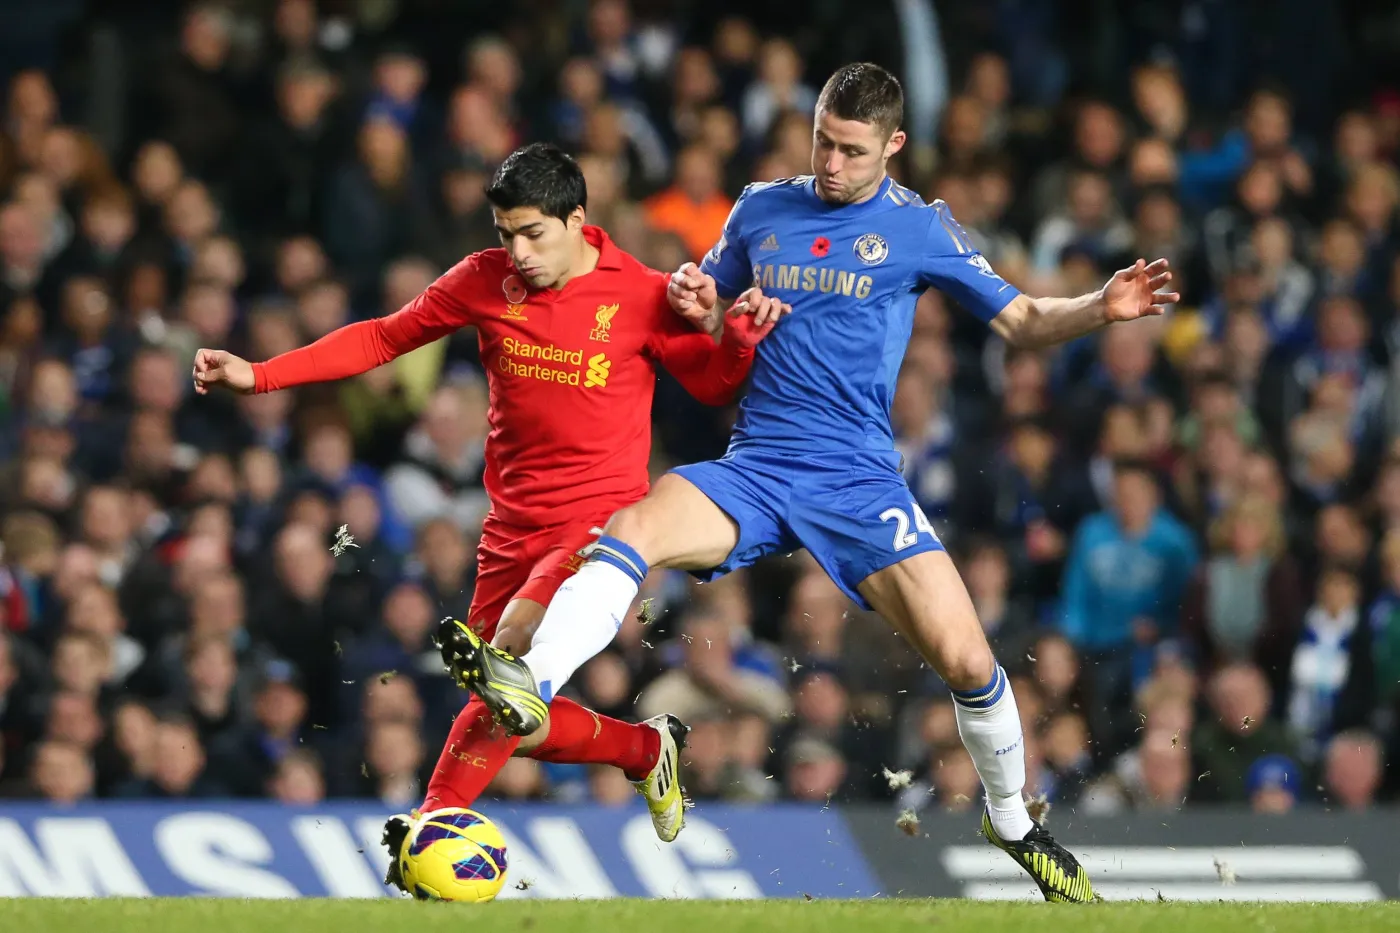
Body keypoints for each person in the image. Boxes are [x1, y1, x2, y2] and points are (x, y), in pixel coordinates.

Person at [440, 64, 1177, 904]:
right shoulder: (761, 207)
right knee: (633, 527)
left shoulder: (921, 229)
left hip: (859, 480)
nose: (830, 162)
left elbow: (1020, 320)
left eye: (851, 150)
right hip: (757, 463)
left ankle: (1011, 820)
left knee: (971, 660)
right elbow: (705, 308)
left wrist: (1097, 306)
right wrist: (694, 296)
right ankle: (532, 683)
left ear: (893, 146)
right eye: (823, 140)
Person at [190, 142, 783, 891]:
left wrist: (733, 340)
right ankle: (642, 750)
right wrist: (263, 373)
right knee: (509, 712)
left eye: (534, 232)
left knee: (509, 663)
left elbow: (708, 382)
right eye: (506, 234)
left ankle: (432, 823)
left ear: (578, 219)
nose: (519, 251)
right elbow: (383, 335)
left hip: (599, 524)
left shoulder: (641, 291)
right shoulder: (482, 280)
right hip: (510, 527)